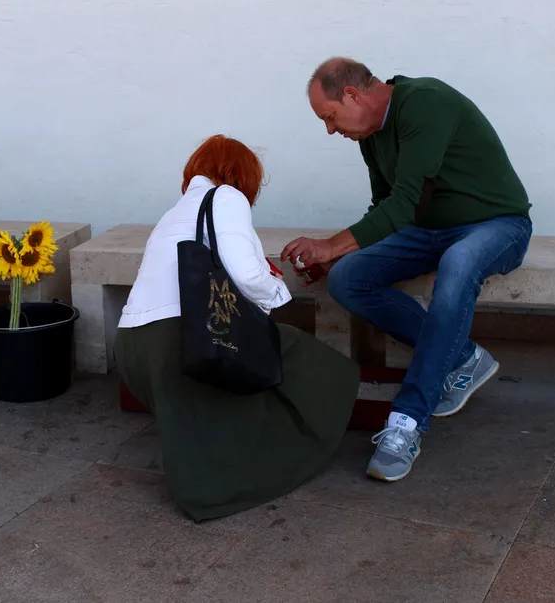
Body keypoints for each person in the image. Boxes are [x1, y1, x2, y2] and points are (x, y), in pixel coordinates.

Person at [281, 57, 533, 483]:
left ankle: (407, 422)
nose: (330, 130)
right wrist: (337, 257)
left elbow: (403, 203)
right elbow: (386, 207)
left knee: (457, 264)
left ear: (352, 95)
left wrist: (330, 244)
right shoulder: (370, 136)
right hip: (427, 230)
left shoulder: (424, 102)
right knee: (348, 278)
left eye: (329, 117)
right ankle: (465, 357)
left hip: (497, 225)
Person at [114, 134, 360, 522]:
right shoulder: (227, 197)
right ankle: (296, 446)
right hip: (180, 342)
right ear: (241, 174)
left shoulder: (174, 212)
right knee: (299, 356)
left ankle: (218, 461)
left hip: (133, 347)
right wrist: (278, 292)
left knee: (231, 384)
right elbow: (246, 275)